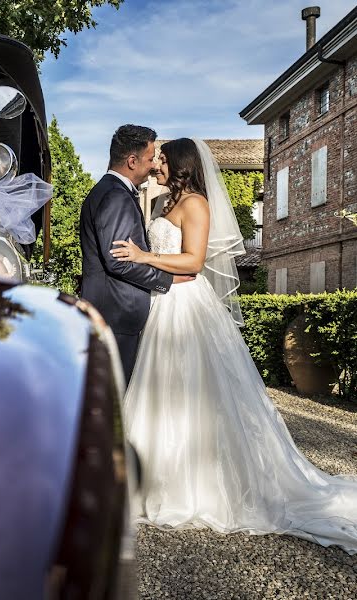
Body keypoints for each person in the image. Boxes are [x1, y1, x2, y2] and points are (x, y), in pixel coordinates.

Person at [111, 137, 357, 555]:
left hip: (187, 305)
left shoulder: (196, 205)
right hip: (161, 304)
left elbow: (192, 261)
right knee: (160, 391)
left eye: (165, 161)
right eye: (157, 161)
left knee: (197, 391)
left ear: (184, 165)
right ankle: (152, 478)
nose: (158, 167)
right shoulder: (162, 205)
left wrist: (144, 257)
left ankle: (200, 484)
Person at [79, 124, 190, 384]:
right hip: (117, 315)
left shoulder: (109, 191)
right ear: (132, 161)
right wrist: (167, 280)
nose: (153, 166)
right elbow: (120, 261)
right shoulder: (116, 196)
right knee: (115, 394)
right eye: (151, 158)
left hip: (113, 313)